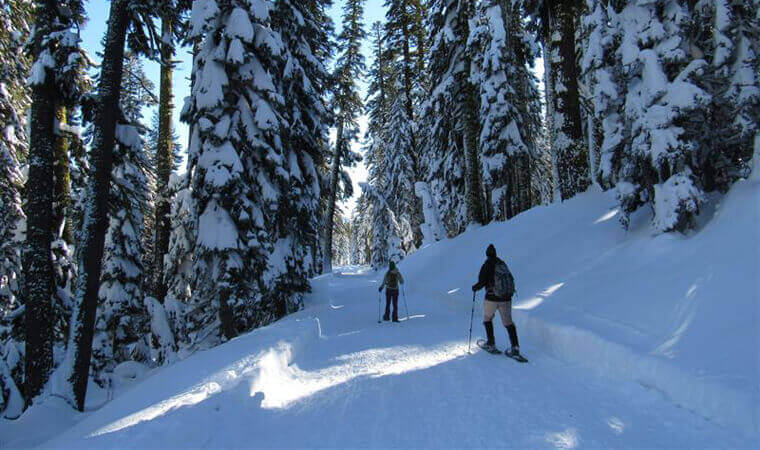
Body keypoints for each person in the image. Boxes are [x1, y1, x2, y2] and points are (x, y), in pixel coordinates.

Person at [472, 244, 521, 356]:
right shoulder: (502, 264)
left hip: (492, 298)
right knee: (508, 323)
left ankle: (491, 343)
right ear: (495, 253)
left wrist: (475, 287)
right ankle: (515, 347)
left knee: (487, 319)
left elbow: (482, 282)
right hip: (506, 298)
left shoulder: (487, 265)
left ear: (487, 254)